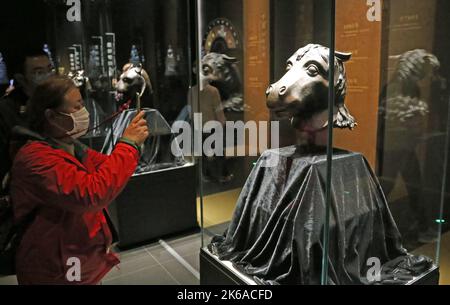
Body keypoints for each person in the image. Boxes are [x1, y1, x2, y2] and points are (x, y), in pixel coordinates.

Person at [10, 75, 149, 285]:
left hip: (76, 266)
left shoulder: (68, 145)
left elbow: (107, 168)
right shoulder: (36, 158)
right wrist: (129, 144)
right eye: (76, 107)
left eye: (82, 105)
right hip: (54, 273)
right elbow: (92, 193)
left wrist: (132, 145)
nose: (83, 113)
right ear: (51, 116)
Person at [0, 47, 54, 195]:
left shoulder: (57, 102)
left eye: (50, 69)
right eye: (38, 72)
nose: (48, 76)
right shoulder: (6, 110)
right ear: (21, 79)